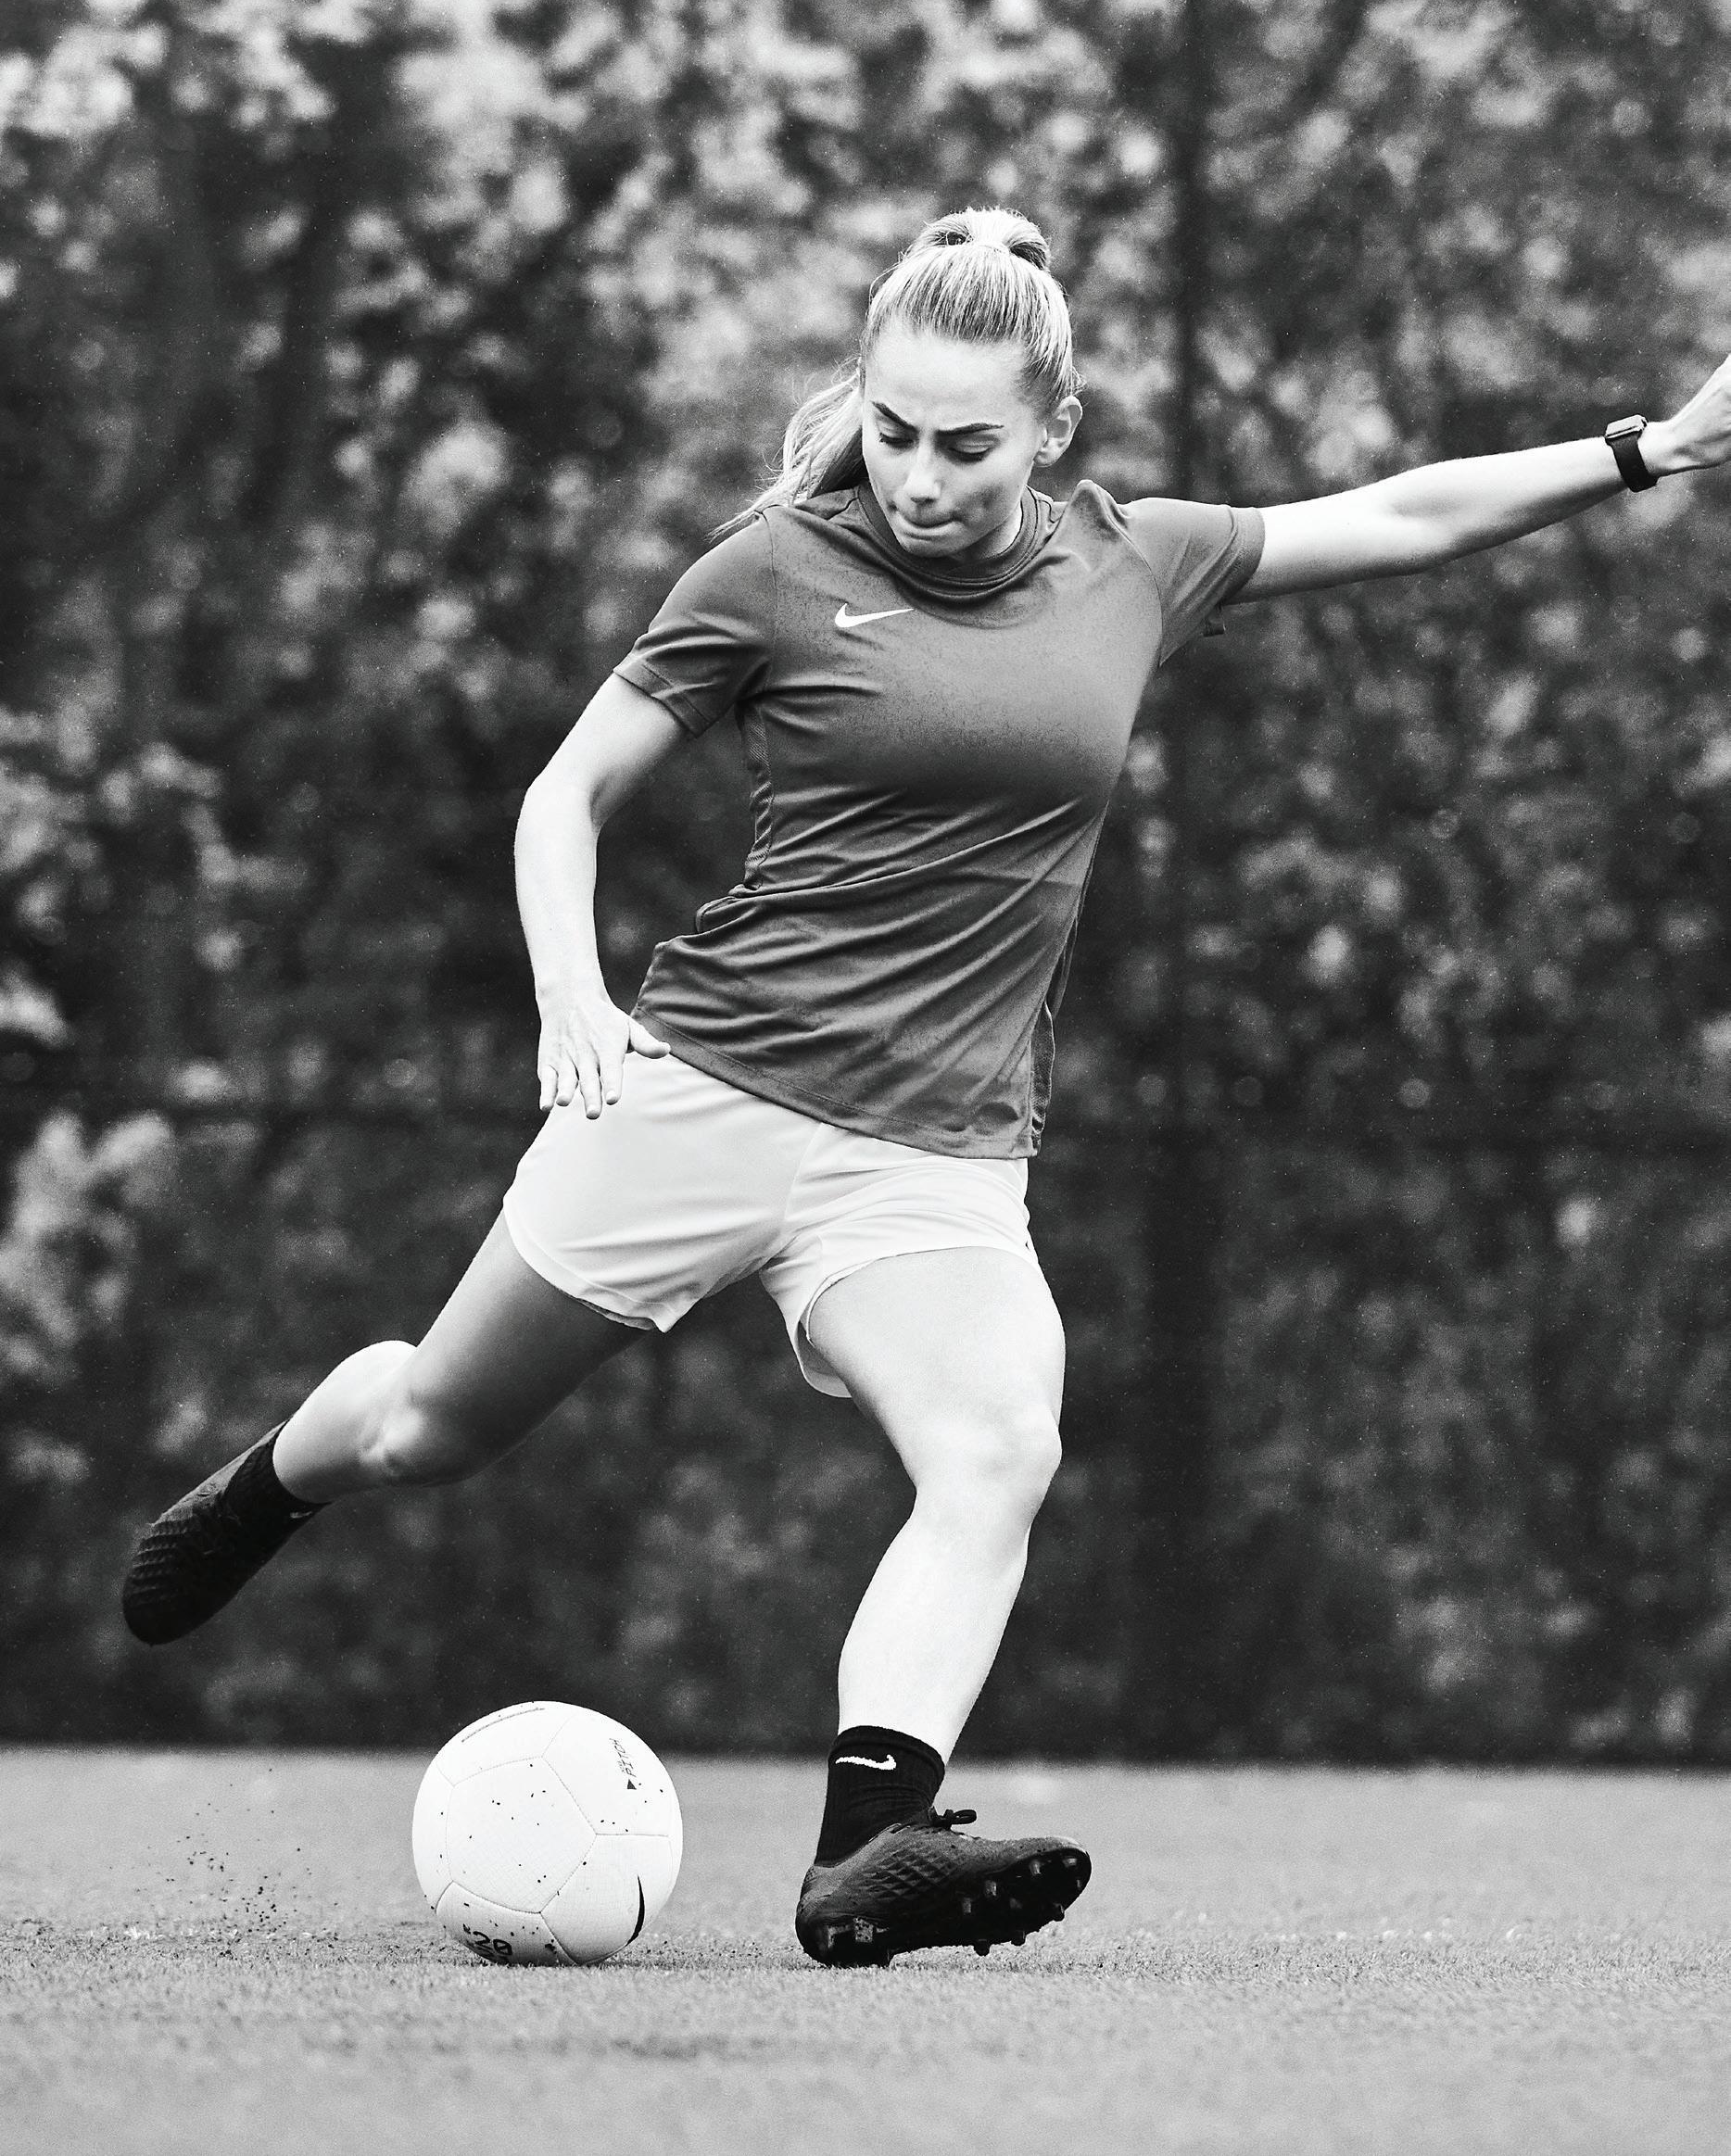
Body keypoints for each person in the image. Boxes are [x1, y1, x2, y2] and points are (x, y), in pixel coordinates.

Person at [122, 208, 1731, 1967]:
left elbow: (1404, 515)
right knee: (432, 1430)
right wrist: (569, 990)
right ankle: (278, 1480)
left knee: (997, 1445)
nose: (920, 476)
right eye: (893, 431)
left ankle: (868, 1848)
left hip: (932, 1157)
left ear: (1053, 429)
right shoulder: (769, 569)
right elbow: (563, 794)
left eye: (967, 443)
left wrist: (1647, 448)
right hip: (703, 1093)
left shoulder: (1134, 562)